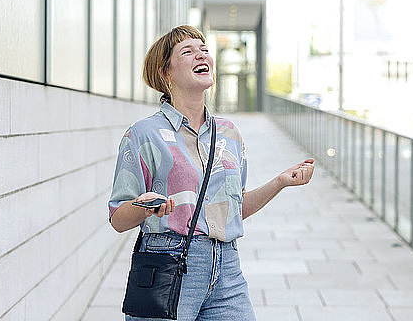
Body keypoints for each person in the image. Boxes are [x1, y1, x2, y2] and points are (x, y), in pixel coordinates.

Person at [108, 25, 315, 320]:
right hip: (168, 263)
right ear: (165, 72)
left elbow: (231, 210)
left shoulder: (229, 133)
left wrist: (280, 183)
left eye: (204, 49)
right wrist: (145, 205)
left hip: (227, 269)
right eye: (187, 51)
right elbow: (117, 218)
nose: (201, 54)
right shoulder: (144, 134)